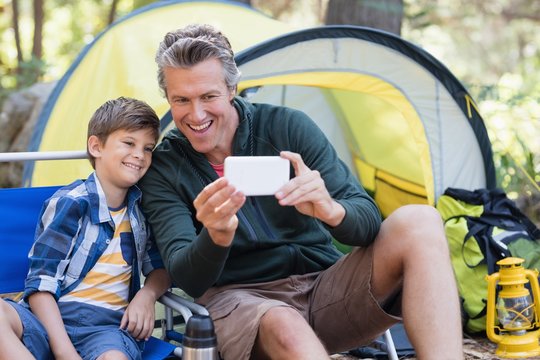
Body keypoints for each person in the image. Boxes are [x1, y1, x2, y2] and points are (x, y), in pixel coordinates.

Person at [139, 24, 463, 360]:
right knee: (285, 323)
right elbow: (188, 278)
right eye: (182, 100)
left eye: (208, 96)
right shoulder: (165, 167)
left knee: (421, 220)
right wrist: (215, 236)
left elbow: (367, 221)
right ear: (168, 99)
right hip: (240, 302)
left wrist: (330, 210)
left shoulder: (287, 127)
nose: (197, 114)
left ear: (232, 88)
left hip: (324, 288)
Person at [0, 97, 171, 360]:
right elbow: (41, 285)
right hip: (48, 320)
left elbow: (159, 267)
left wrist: (148, 295)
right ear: (96, 146)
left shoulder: (142, 209)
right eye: (128, 143)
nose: (139, 154)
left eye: (148, 148)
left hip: (107, 330)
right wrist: (66, 352)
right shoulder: (71, 203)